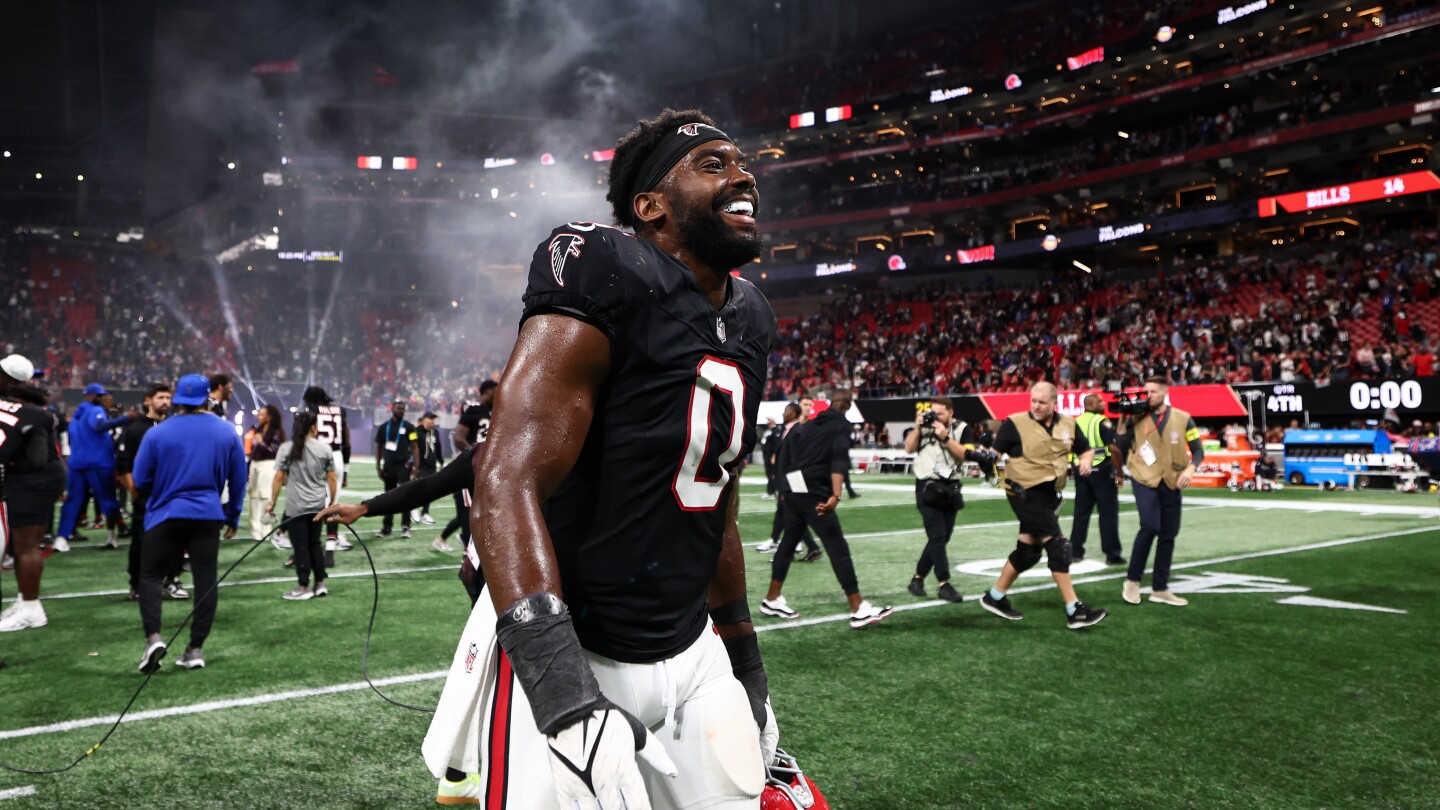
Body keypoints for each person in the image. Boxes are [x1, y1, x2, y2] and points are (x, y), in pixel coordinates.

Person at [424, 109, 778, 809]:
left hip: (693, 650)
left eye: (742, 163)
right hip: (579, 650)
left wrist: (747, 665)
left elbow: (717, 505)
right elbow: (506, 478)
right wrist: (562, 695)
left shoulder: (752, 316)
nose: (743, 177)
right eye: (712, 164)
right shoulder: (603, 264)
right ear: (649, 207)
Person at [132, 373, 246, 673]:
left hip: (164, 513)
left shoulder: (157, 433)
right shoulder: (226, 431)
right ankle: (195, 648)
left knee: (150, 576)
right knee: (206, 579)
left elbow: (141, 479)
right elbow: (238, 479)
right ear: (206, 398)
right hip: (208, 514)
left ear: (178, 399)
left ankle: (154, 638)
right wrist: (233, 515)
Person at [979, 382, 1109, 630]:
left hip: (1050, 493)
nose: (1036, 406)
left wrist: (1085, 461)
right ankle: (1074, 610)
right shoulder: (1014, 423)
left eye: (1042, 402)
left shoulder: (1069, 424)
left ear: (1053, 403)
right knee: (1059, 547)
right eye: (1033, 401)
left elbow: (1086, 450)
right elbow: (993, 455)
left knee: (1029, 552)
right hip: (1023, 490)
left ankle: (994, 597)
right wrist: (986, 460)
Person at [760, 389, 891, 627]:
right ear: (848, 405)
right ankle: (858, 607)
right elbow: (839, 460)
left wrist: (785, 488)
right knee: (837, 546)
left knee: (789, 542)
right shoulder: (841, 425)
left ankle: (772, 599)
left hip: (794, 488)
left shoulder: (810, 424)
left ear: (831, 403)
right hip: (814, 492)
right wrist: (836, 495)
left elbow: (789, 453)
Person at [1116, 376, 1204, 607]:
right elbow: (1121, 445)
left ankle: (1160, 588)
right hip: (1143, 477)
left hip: (1172, 479)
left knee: (1169, 533)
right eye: (1146, 392)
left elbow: (1198, 450)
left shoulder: (1184, 418)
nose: (1148, 396)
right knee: (1150, 526)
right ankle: (1132, 581)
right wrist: (1123, 417)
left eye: (1153, 391)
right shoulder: (1136, 417)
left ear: (1165, 392)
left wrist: (1190, 469)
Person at [0, 354, 66, 633]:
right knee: (20, 546)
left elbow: (36, 459)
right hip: (33, 476)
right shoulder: (34, 409)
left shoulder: (32, 413)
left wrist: (12, 467)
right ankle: (25, 602)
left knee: (26, 546)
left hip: (36, 478)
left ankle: (31, 609)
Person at [118, 384, 188, 602]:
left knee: (176, 541)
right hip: (146, 495)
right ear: (148, 400)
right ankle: (137, 584)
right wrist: (134, 492)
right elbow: (123, 465)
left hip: (173, 495)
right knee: (142, 542)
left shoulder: (177, 427)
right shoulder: (134, 430)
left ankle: (172, 579)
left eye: (168, 397)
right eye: (160, 397)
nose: (165, 401)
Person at [904, 396, 976, 603]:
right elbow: (909, 448)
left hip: (950, 486)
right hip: (927, 486)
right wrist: (917, 428)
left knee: (943, 537)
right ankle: (944, 583)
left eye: (940, 413)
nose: (935, 417)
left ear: (951, 412)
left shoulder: (962, 428)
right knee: (937, 535)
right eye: (933, 413)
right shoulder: (925, 427)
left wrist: (945, 437)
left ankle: (917, 579)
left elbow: (966, 455)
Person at [54, 383, 131, 552]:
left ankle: (61, 538)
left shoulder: (76, 414)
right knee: (108, 499)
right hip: (98, 462)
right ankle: (114, 534)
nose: (103, 398)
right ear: (92, 396)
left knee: (73, 500)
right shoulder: (96, 410)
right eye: (100, 395)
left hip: (77, 462)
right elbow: (98, 425)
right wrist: (126, 418)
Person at [268, 412, 336, 601]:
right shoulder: (324, 448)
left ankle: (303, 586)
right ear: (313, 427)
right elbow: (332, 478)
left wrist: (271, 502)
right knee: (315, 543)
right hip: (317, 506)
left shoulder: (287, 448)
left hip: (295, 507)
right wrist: (331, 503)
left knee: (301, 547)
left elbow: (279, 477)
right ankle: (320, 583)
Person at [755, 402, 822, 561]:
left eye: (787, 411)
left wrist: (788, 485)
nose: (784, 413)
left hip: (792, 481)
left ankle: (792, 550)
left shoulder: (796, 431)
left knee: (791, 515)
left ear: (794, 413)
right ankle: (807, 548)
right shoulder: (787, 430)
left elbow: (795, 461)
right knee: (790, 515)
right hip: (787, 480)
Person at [1069, 393, 1126, 565]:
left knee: (1081, 513)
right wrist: (1119, 473)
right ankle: (1112, 554)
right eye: (1099, 401)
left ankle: (1075, 551)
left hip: (1081, 470)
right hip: (1101, 471)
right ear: (1091, 405)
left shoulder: (1076, 421)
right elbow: (1113, 449)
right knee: (1108, 514)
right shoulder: (1101, 421)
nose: (1103, 404)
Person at [439, 380, 496, 552]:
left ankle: (472, 545)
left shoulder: (500, 411)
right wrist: (475, 455)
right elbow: (458, 438)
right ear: (485, 392)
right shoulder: (473, 410)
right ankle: (467, 547)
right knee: (468, 511)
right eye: (494, 391)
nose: (498, 394)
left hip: (490, 469)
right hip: (472, 469)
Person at [303, 386, 352, 562]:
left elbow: (304, 436)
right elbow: (347, 441)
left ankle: (309, 544)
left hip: (316, 455)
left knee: (311, 502)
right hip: (336, 456)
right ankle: (330, 550)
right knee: (333, 504)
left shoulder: (311, 411)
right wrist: (346, 470)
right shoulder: (339, 410)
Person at [373, 400, 419, 539]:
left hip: (404, 466)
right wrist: (378, 466)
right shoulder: (383, 427)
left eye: (403, 409)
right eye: (398, 408)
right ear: (392, 409)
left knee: (405, 496)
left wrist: (416, 467)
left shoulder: (410, 427)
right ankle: (387, 527)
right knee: (388, 498)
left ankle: (406, 526)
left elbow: (414, 446)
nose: (401, 411)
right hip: (389, 467)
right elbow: (378, 447)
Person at [245, 404, 285, 545]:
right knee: (253, 496)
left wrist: (261, 443)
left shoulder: (276, 433)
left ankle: (265, 531)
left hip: (268, 465)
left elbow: (274, 452)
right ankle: (255, 532)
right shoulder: (258, 430)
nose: (259, 416)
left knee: (265, 497)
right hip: (255, 465)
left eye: (262, 414)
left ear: (269, 417)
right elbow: (253, 451)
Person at [409, 411, 444, 528]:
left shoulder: (435, 433)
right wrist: (414, 465)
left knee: (429, 491)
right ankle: (413, 509)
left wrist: (441, 462)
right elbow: (411, 447)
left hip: (431, 465)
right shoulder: (416, 431)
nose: (433, 421)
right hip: (420, 465)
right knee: (420, 489)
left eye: (434, 419)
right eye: (430, 418)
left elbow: (438, 448)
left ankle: (425, 513)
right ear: (424, 419)